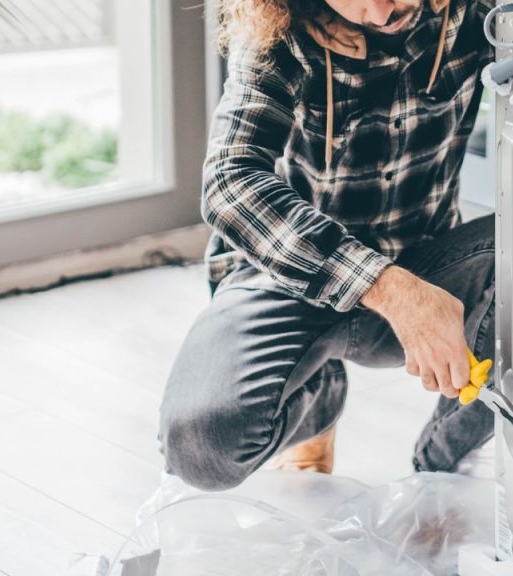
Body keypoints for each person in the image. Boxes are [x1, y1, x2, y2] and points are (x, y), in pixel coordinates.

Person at [158, 0, 496, 490]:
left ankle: (441, 478)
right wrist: (389, 289)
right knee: (200, 447)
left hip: (427, 264)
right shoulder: (278, 34)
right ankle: (318, 393)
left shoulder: (478, 12)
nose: (380, 13)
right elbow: (229, 182)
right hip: (288, 281)